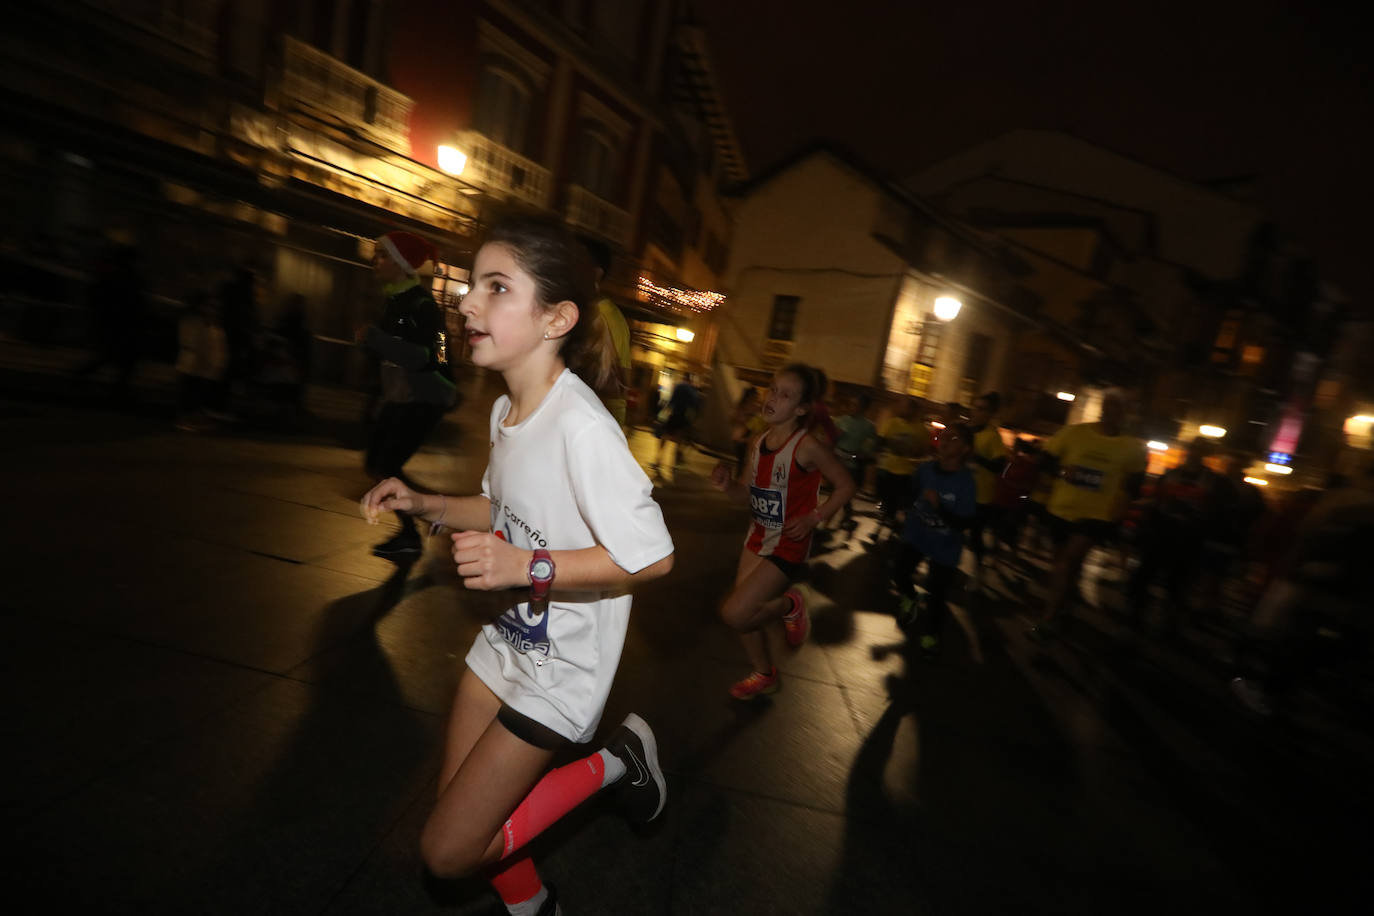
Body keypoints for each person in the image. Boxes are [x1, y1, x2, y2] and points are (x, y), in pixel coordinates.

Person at [359, 216, 675, 916]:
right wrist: (423, 500)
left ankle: (619, 759)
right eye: (473, 285)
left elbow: (650, 558)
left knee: (447, 854)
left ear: (555, 317)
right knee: (469, 823)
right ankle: (535, 907)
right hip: (505, 644)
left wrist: (523, 567)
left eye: (496, 287)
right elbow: (499, 507)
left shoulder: (582, 427)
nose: (468, 302)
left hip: (561, 671)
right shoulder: (509, 408)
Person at [710, 363, 856, 699]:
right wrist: (727, 485)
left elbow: (846, 486)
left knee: (734, 614)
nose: (772, 397)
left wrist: (814, 517)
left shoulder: (807, 446)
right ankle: (764, 673)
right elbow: (745, 494)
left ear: (801, 409)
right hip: (757, 537)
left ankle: (789, 604)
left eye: (785, 394)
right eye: (773, 389)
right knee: (743, 615)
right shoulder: (759, 442)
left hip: (788, 544)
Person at [356, 231, 459, 560]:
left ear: (401, 265)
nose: (376, 262)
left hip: (425, 398)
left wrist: (375, 338)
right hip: (400, 397)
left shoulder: (422, 304)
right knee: (377, 463)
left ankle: (422, 525)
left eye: (383, 256)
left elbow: (436, 355)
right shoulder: (395, 300)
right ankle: (433, 516)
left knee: (385, 464)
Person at [1028, 390, 1147, 641]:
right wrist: (1061, 473)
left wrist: (1120, 510)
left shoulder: (1133, 448)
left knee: (1067, 562)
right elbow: (1045, 461)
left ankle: (1048, 618)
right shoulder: (1074, 433)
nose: (1113, 411)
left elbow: (1134, 486)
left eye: (1120, 407)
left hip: (1097, 517)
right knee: (1064, 565)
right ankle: (1065, 605)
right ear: (1103, 407)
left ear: (1127, 413)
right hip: (1060, 509)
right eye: (1110, 405)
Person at [892, 424, 976, 658]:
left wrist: (939, 507)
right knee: (899, 571)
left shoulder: (966, 481)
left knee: (937, 593)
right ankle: (909, 597)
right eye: (943, 436)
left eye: (954, 437)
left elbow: (964, 522)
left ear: (965, 449)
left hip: (945, 544)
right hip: (917, 533)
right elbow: (912, 492)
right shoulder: (926, 469)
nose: (945, 440)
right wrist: (903, 507)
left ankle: (931, 634)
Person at [1125, 436, 1218, 636]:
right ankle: (1137, 614)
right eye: (1193, 448)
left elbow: (1214, 510)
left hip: (1188, 537)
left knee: (1177, 583)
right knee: (1146, 575)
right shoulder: (1172, 475)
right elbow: (1156, 501)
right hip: (1163, 532)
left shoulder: (1211, 480)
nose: (1194, 453)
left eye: (1199, 450)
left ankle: (1168, 622)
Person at [583, 239, 631, 427]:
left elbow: (621, 384)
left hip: (597, 421)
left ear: (596, 273)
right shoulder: (589, 310)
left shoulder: (604, 314)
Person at [966, 392, 1010, 591]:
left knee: (975, 536)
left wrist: (976, 457)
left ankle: (978, 571)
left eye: (981, 409)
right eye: (975, 407)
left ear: (990, 414)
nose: (976, 412)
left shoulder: (993, 436)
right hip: (957, 490)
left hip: (980, 496)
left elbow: (999, 466)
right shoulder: (966, 431)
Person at [173, 289, 228, 432]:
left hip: (203, 367)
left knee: (198, 394)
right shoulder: (194, 322)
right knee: (189, 393)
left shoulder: (212, 325)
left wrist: (217, 363)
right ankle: (185, 419)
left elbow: (216, 346)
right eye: (210, 306)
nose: (214, 310)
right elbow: (191, 343)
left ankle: (194, 417)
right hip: (192, 365)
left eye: (216, 307)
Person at [874, 397, 927, 532]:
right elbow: (880, 440)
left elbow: (923, 451)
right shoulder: (892, 423)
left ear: (913, 410)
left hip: (906, 472)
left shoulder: (921, 430)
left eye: (905, 407)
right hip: (889, 468)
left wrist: (912, 451)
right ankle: (884, 527)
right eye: (901, 407)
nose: (901, 410)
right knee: (887, 499)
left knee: (897, 503)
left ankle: (884, 529)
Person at [832, 392, 877, 533]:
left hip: (853, 464)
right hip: (837, 460)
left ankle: (841, 518)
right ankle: (844, 517)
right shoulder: (840, 420)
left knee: (843, 492)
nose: (851, 407)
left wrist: (861, 453)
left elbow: (870, 446)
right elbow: (830, 437)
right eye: (850, 404)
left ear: (863, 408)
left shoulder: (868, 426)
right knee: (838, 491)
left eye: (855, 405)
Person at [650, 372, 700, 476]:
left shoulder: (679, 386)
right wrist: (692, 421)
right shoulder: (692, 391)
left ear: (683, 378)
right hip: (683, 418)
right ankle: (674, 465)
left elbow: (671, 401)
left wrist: (663, 413)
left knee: (665, 438)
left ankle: (658, 461)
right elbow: (694, 406)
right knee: (678, 442)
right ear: (690, 380)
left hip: (674, 416)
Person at [729, 386, 765, 474]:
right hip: (741, 440)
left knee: (743, 464)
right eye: (756, 396)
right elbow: (734, 419)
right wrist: (747, 418)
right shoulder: (743, 407)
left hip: (743, 439)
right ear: (750, 397)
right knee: (743, 464)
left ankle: (741, 479)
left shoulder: (751, 406)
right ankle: (740, 480)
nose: (757, 399)